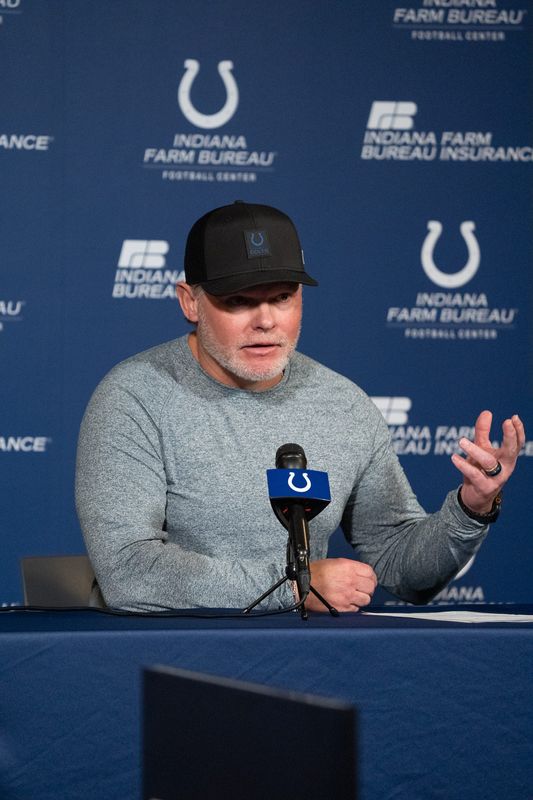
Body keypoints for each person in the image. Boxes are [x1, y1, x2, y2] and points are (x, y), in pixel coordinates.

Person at [75, 201, 525, 612]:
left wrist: (471, 508)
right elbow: (129, 573)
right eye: (238, 301)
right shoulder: (134, 397)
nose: (266, 321)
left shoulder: (342, 404)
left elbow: (400, 567)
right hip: (173, 665)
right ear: (190, 301)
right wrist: (294, 587)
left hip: (308, 667)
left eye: (282, 297)